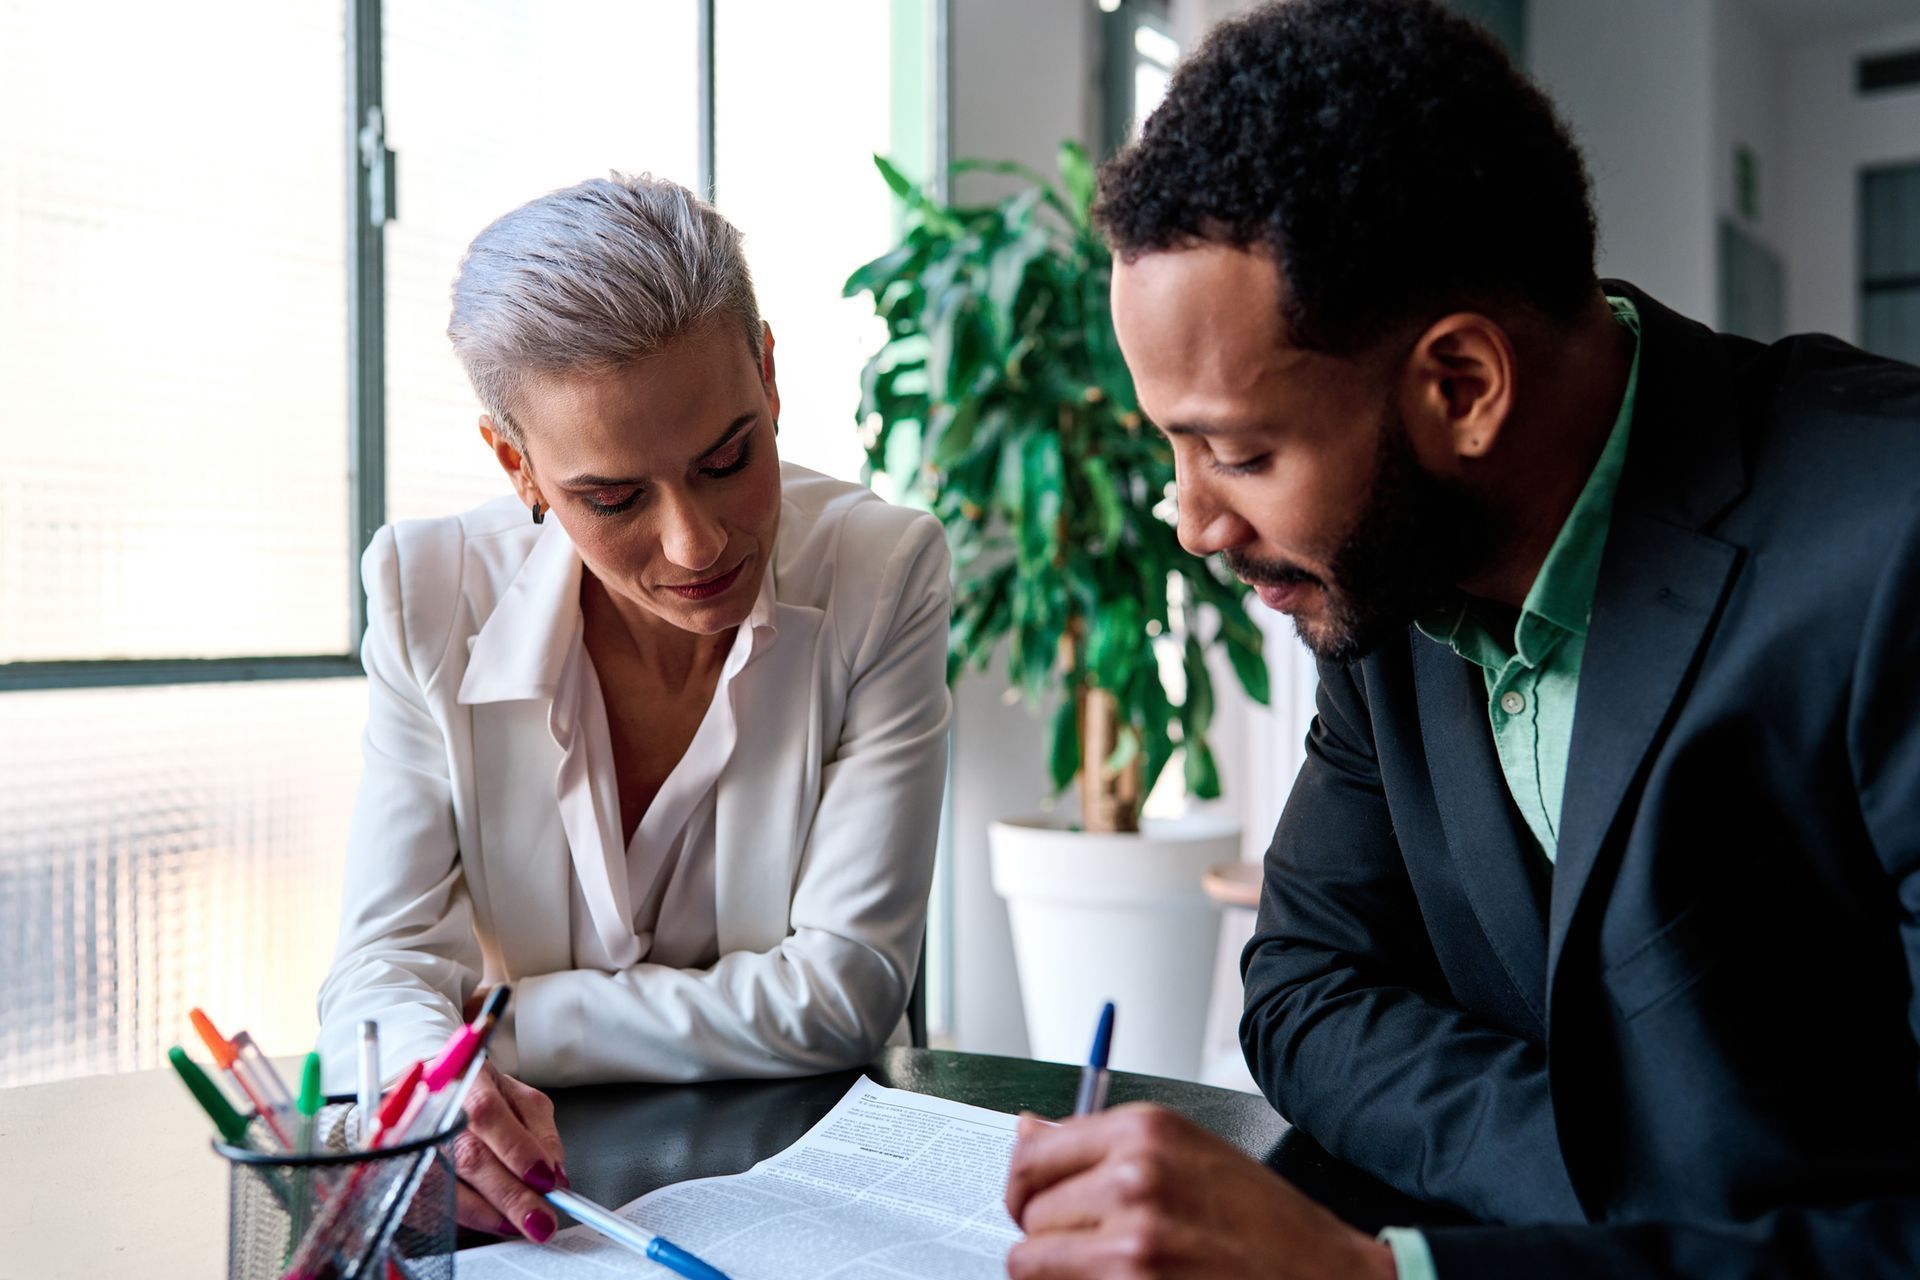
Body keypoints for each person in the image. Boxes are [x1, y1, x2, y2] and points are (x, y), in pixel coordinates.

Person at [1004, 2, 1920, 1277]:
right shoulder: (1387, 580)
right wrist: (1637, 1178)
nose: (1197, 523)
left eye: (1240, 453)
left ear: (1463, 388)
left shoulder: (1895, 551)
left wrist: (1387, 1274)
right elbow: (1308, 988)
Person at [316, 174, 951, 1243]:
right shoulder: (428, 593)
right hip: (547, 1200)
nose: (695, 543)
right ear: (518, 464)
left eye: (727, 459)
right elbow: (381, 969)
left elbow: (847, 990)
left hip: (804, 1189)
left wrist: (503, 1024)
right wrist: (444, 1090)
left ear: (770, 372)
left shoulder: (883, 572)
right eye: (612, 498)